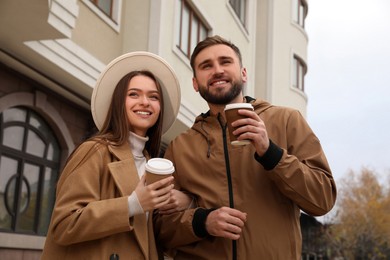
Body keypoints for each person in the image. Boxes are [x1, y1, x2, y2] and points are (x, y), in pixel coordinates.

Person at [154, 35, 337, 259]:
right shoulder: (180, 146)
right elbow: (161, 230)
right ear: (195, 83)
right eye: (206, 66)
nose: (217, 70)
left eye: (225, 62)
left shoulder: (287, 121)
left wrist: (270, 152)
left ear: (243, 73)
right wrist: (202, 222)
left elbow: (323, 200)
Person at [41, 52, 191, 260]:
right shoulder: (95, 150)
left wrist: (185, 202)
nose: (145, 102)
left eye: (153, 97)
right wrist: (133, 204)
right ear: (119, 103)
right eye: (134, 94)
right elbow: (64, 223)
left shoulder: (150, 163)